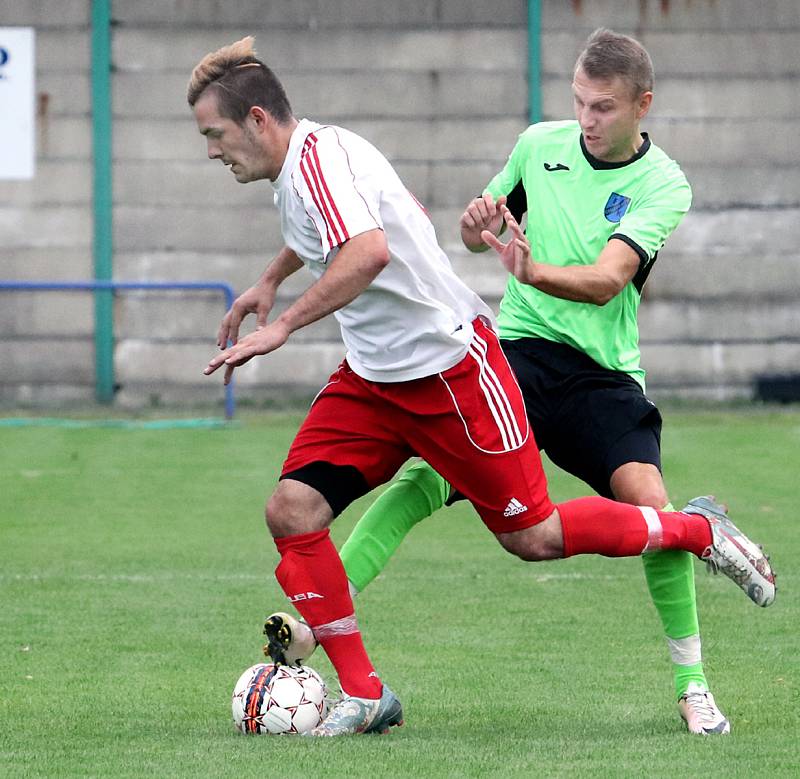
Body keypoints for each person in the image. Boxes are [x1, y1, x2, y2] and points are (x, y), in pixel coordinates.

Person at [189, 35, 775, 738]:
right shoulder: (321, 161)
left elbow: (375, 251)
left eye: (215, 134)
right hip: (410, 370)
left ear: (257, 120)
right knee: (297, 508)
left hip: (502, 371)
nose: (211, 152)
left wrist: (282, 324)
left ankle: (696, 558)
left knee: (540, 535)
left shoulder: (662, 183)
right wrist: (274, 276)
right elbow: (380, 229)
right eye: (579, 102)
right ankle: (362, 686)